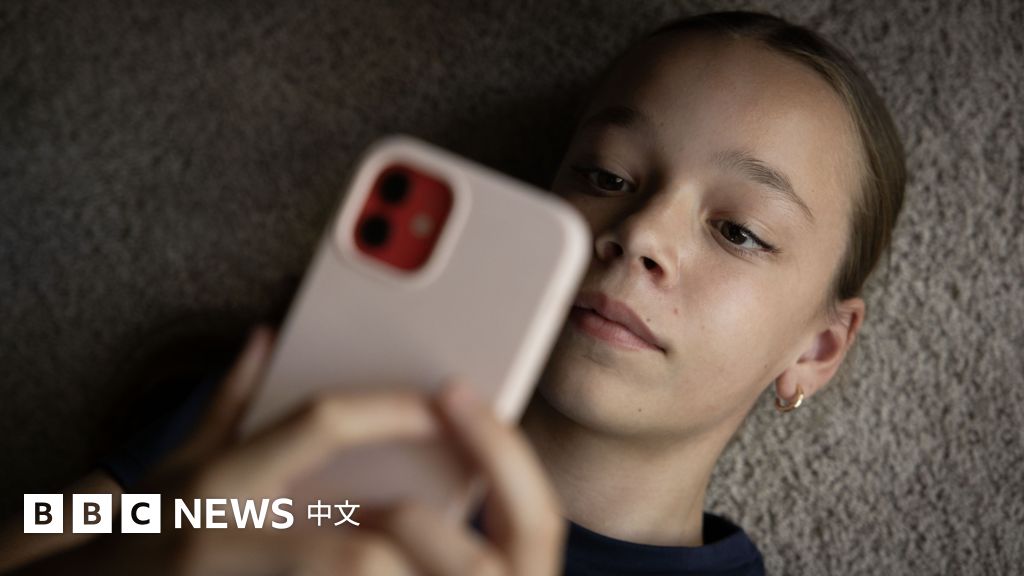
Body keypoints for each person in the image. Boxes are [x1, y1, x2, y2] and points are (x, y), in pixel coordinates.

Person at [0, 9, 905, 575]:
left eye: (738, 230)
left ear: (819, 348)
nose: (640, 234)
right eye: (605, 176)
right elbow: (47, 522)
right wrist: (155, 540)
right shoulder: (307, 403)